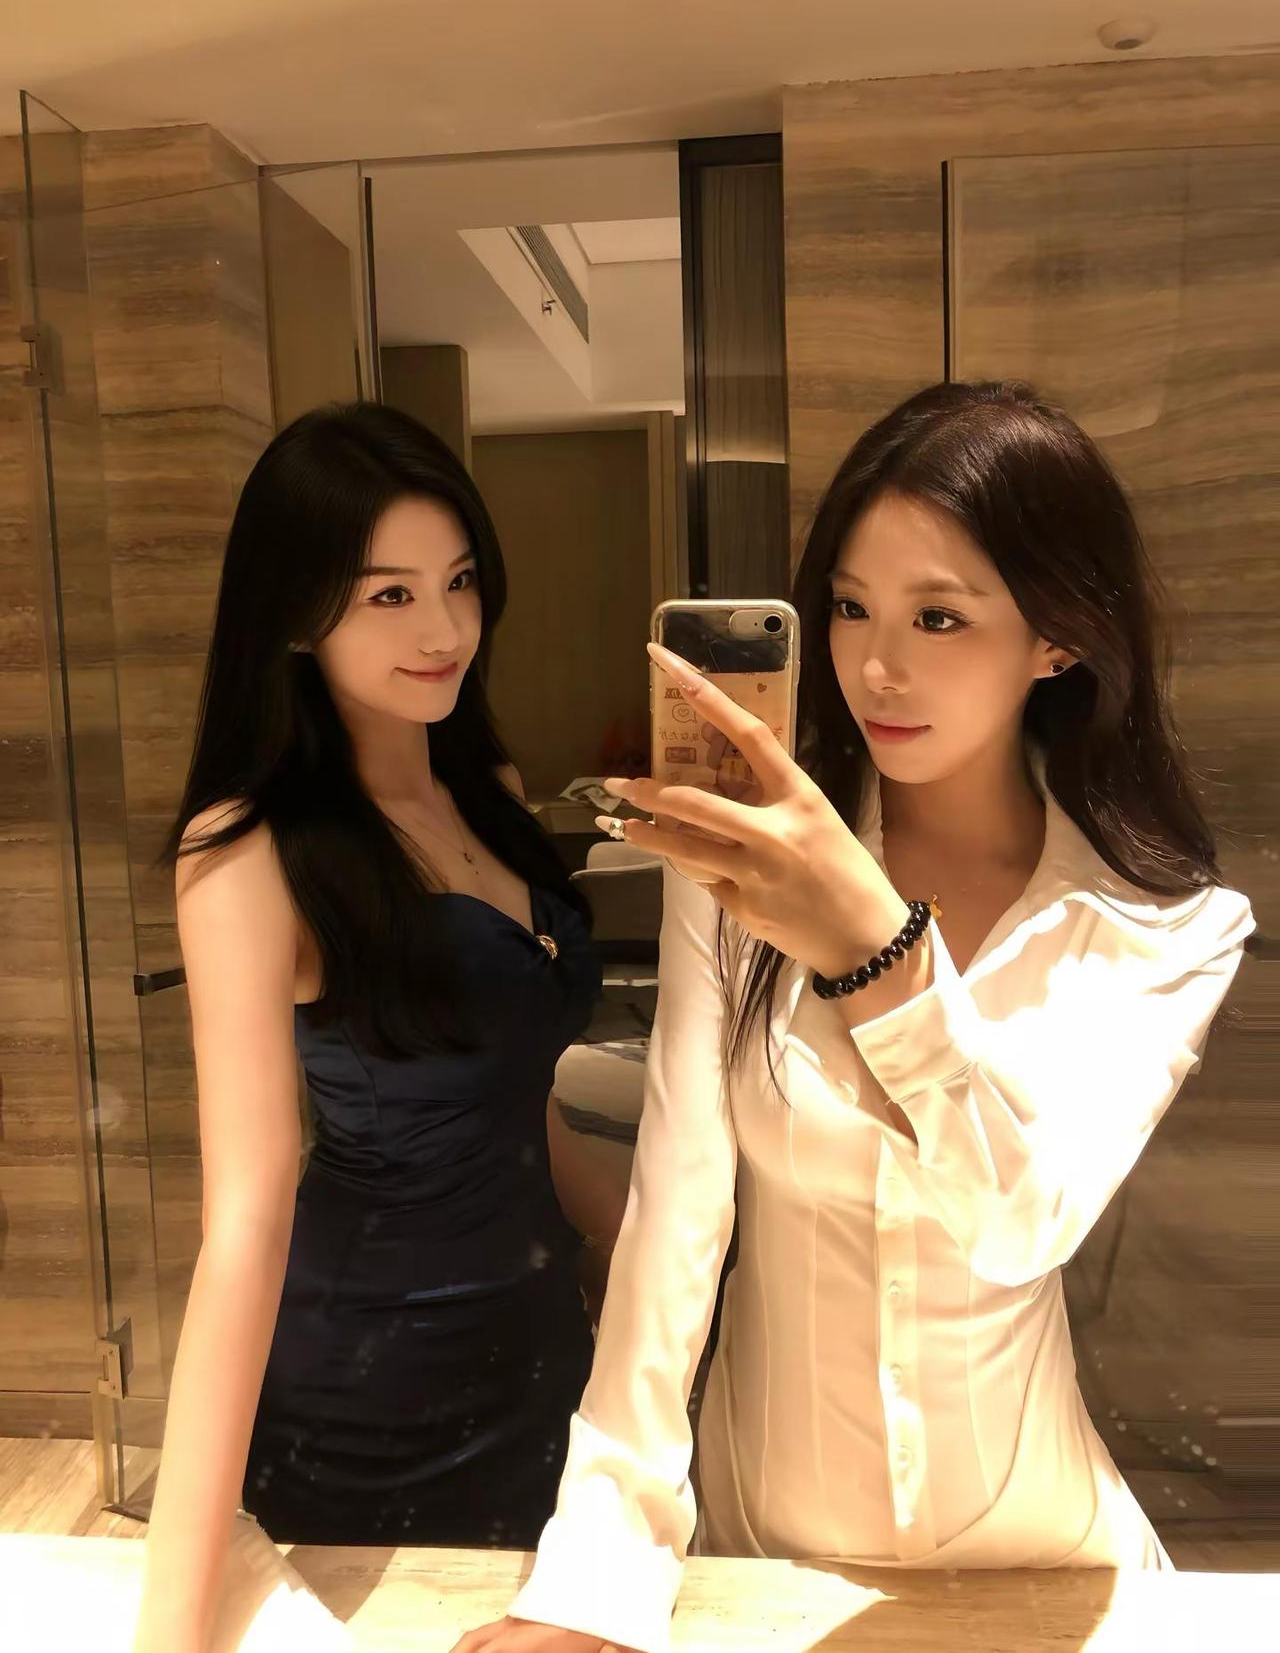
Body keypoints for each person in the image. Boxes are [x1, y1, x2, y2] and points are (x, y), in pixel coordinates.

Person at [455, 381, 1255, 1653]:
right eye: (846, 606)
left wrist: (870, 950)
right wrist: (596, 1573)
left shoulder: (1159, 927)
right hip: (765, 1551)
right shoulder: (736, 876)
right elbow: (675, 1213)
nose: (876, 665)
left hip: (1039, 1566)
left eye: (938, 615)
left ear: (1056, 638)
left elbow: (1021, 1221)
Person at [133, 405, 598, 1653]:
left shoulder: (486, 791)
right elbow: (244, 1222)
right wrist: (166, 1633)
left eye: (459, 580)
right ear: (296, 613)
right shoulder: (246, 851)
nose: (443, 628)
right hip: (370, 1392)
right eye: (389, 594)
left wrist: (676, 1244)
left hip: (543, 1353)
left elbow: (516, 1093)